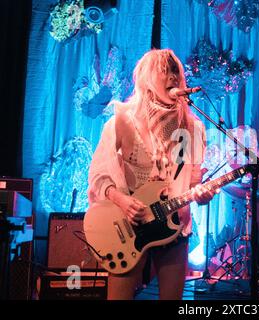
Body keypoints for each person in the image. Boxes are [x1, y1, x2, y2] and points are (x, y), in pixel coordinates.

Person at [87, 49, 215, 300]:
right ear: (147, 77)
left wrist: (202, 193)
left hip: (173, 225)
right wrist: (123, 201)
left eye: (176, 71)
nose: (173, 77)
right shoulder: (122, 120)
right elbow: (100, 173)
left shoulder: (192, 127)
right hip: (129, 225)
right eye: (164, 71)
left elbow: (191, 180)